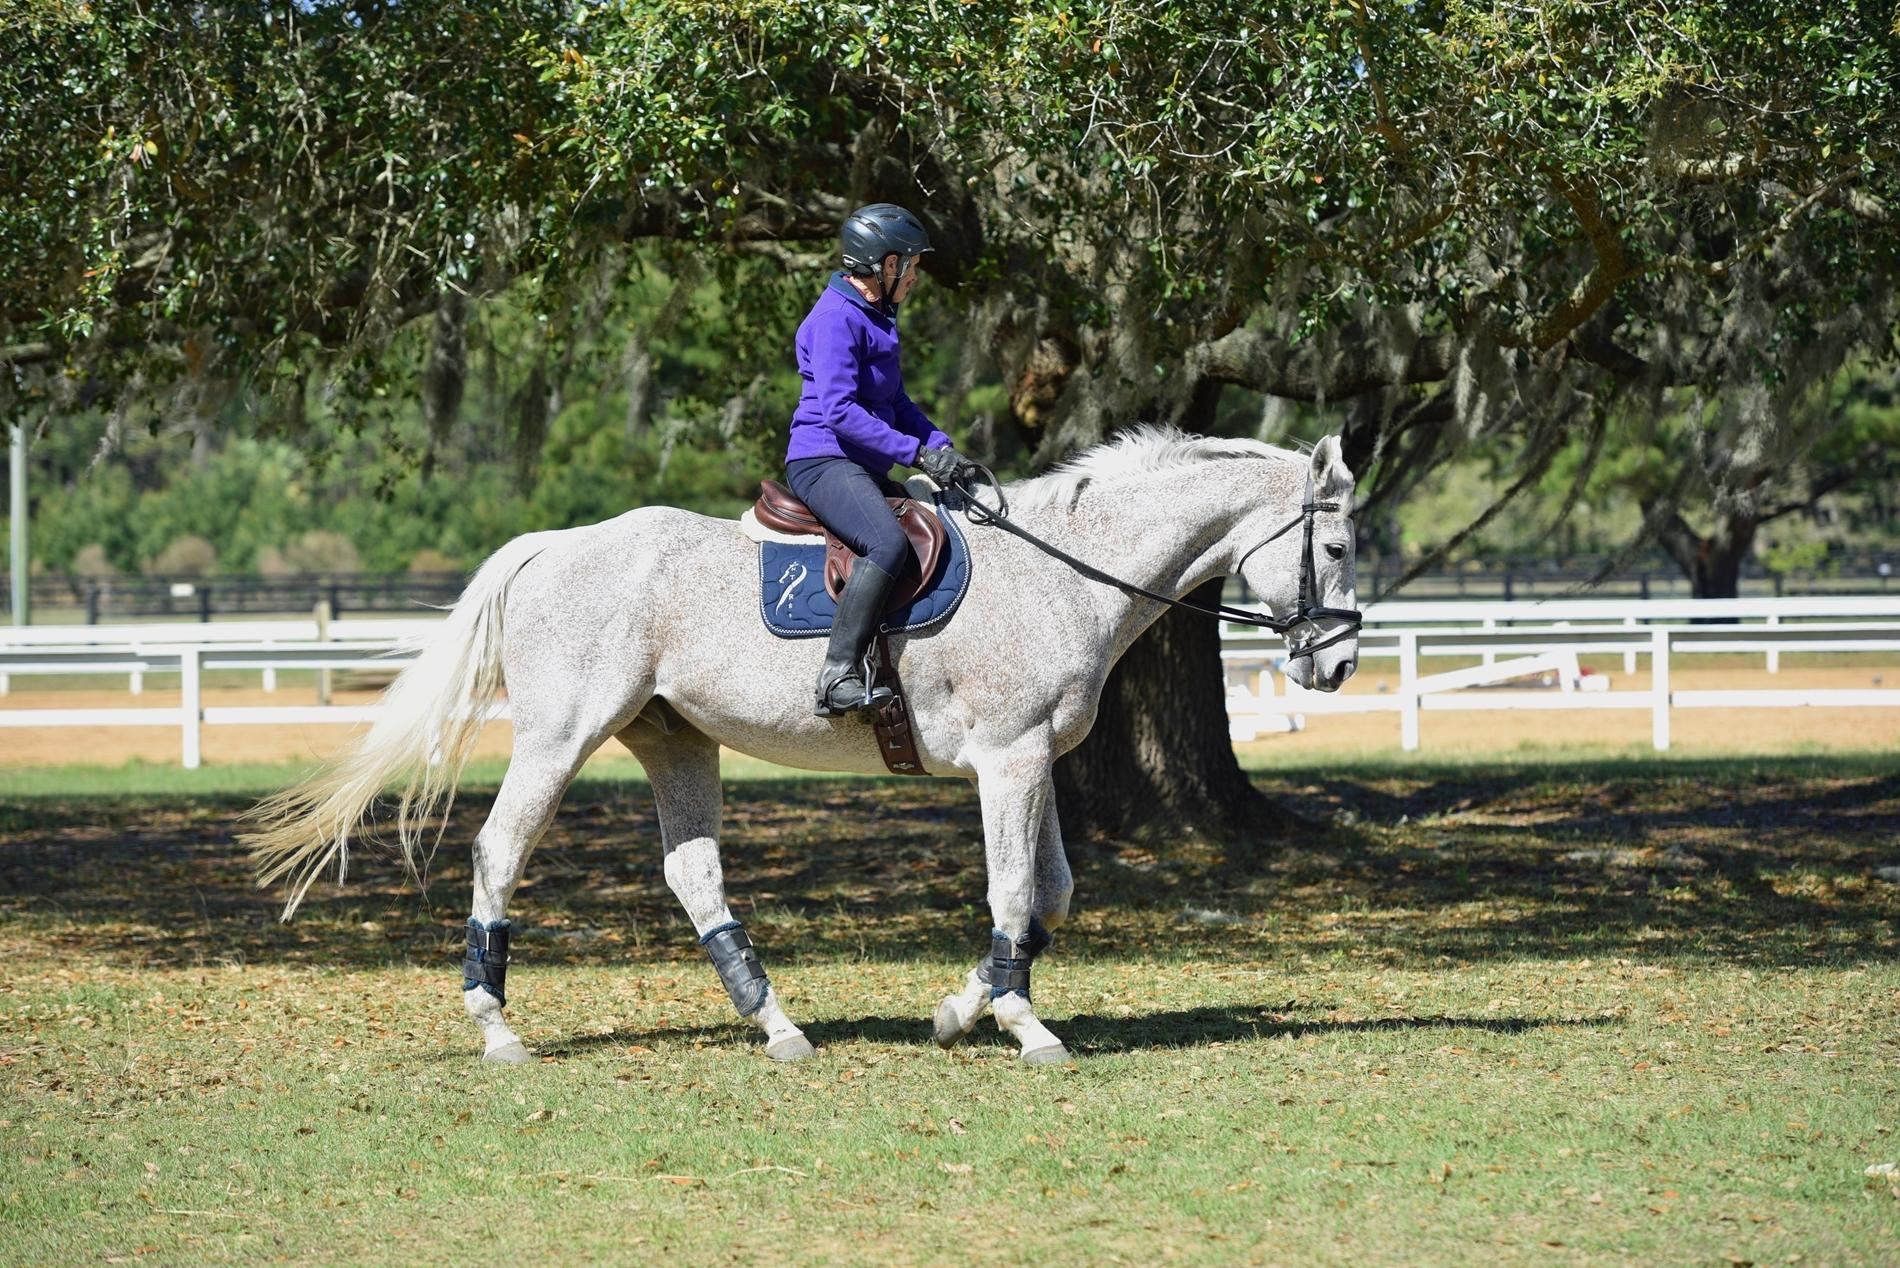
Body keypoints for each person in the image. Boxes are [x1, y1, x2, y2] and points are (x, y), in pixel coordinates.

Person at [785, 202, 976, 717]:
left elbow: (898, 406)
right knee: (887, 543)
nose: (914, 276)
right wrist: (914, 454)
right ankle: (836, 674)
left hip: (863, 463)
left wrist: (940, 448)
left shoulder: (876, 318)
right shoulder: (834, 319)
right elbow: (842, 413)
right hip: (823, 460)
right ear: (883, 266)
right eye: (909, 266)